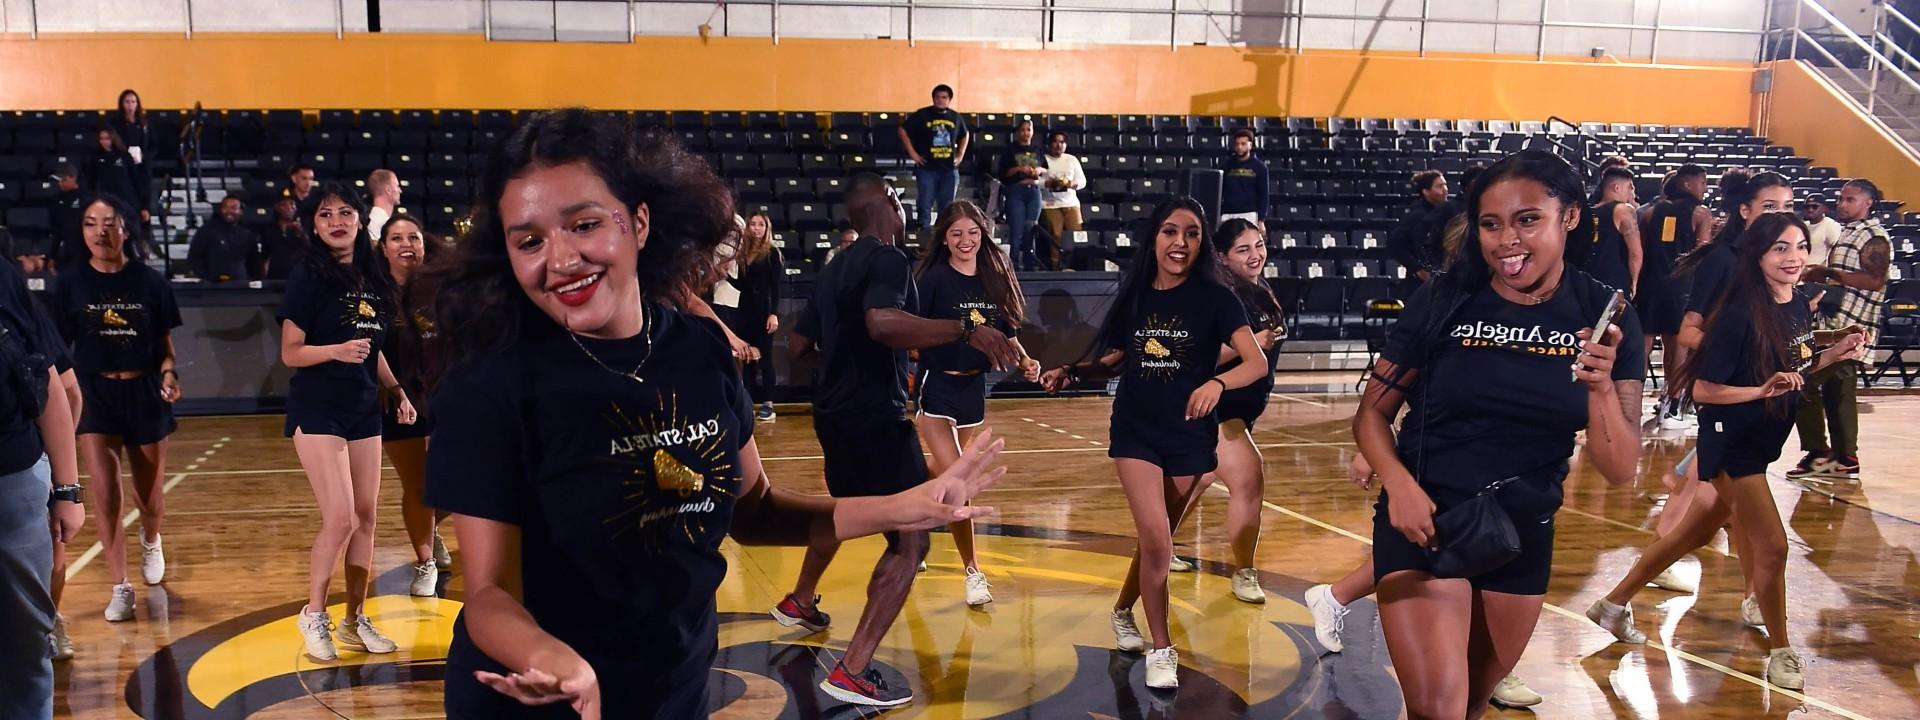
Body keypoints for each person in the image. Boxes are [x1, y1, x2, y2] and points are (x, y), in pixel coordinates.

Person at [419, 108, 1008, 718]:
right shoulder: (488, 383)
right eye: (530, 240)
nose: (562, 258)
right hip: (538, 695)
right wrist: (553, 657)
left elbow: (755, 513)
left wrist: (906, 506)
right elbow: (487, 592)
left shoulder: (699, 351)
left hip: (674, 687)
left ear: (639, 223)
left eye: (584, 224)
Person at [1356, 151, 1643, 718]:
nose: (1507, 239)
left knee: (1467, 710)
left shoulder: (1608, 315)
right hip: (1427, 521)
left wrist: (1601, 387)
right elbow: (1370, 414)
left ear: (1571, 217)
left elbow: (1620, 469)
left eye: (1527, 219)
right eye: (1492, 224)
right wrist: (1398, 484)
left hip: (1521, 532)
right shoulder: (1443, 298)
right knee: (1439, 707)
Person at [1587, 212, 1867, 692]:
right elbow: (1705, 390)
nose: (1793, 257)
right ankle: (1781, 651)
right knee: (1773, 546)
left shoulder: (1799, 304)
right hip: (1731, 441)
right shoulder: (1738, 313)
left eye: (1799, 246)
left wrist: (1834, 355)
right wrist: (1761, 391)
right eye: (1780, 248)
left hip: (1762, 442)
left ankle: (1612, 604)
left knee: (1689, 536)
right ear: (1757, 254)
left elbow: (1792, 369)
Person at [773, 172, 1022, 707]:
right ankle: (854, 669)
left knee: (840, 511)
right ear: (889, 203)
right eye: (901, 202)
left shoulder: (833, 267)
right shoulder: (887, 258)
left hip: (832, 414)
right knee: (912, 539)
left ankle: (799, 600)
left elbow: (796, 349)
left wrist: (844, 364)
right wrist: (964, 330)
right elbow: (883, 322)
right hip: (874, 418)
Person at [1037, 198, 1269, 690]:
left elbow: (1256, 362)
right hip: (1136, 430)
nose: (1179, 243)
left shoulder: (1216, 299)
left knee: (1154, 541)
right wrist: (1073, 370)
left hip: (1189, 434)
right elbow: (1118, 358)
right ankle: (1162, 648)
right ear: (1155, 238)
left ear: (1202, 242)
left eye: (1190, 233)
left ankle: (1122, 610)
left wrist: (1218, 385)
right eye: (1170, 231)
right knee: (1160, 538)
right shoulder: (1137, 293)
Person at [278, 182, 415, 662]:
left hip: (362, 408)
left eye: (344, 213)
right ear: (314, 226)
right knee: (339, 517)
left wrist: (396, 390)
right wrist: (334, 351)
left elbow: (372, 350)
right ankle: (314, 614)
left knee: (366, 520)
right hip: (317, 408)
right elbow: (290, 352)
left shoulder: (373, 277)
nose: (336, 221)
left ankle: (355, 620)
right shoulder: (307, 277)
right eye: (325, 215)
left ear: (359, 220)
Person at [49, 195, 182, 624]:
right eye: (91, 223)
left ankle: (151, 538)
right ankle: (120, 586)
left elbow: (166, 348)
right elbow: (58, 349)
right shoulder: (70, 284)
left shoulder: (151, 282)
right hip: (95, 397)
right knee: (105, 497)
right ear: (82, 231)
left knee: (150, 498)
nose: (100, 231)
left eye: (109, 223)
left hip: (144, 393)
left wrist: (168, 374)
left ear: (125, 228)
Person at [912, 200, 1040, 608]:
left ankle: (908, 528)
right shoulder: (933, 279)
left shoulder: (993, 278)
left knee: (937, 474)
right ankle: (973, 571)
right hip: (937, 389)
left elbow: (1007, 333)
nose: (965, 241)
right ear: (944, 239)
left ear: (983, 234)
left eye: (972, 233)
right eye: (956, 234)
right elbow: (913, 328)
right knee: (959, 481)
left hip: (973, 391)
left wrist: (1026, 360)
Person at [0, 249, 83, 719]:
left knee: (24, 645)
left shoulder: (3, 277)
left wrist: (67, 490)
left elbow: (54, 386)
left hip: (10, 482)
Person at [1790, 178, 1891, 479]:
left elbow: (1875, 280)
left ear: (1868, 202)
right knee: (1838, 393)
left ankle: (1821, 452)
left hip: (1852, 327)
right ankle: (1843, 456)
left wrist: (1828, 273)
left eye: (1850, 199)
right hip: (1832, 324)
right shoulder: (1849, 231)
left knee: (1801, 380)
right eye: (1841, 198)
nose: (1841, 204)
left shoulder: (1874, 235)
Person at [377, 213, 449, 596]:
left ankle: (431, 526)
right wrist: (396, 390)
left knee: (456, 479)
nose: (407, 244)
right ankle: (425, 563)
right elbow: (370, 348)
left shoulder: (441, 289)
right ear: (383, 247)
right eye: (397, 238)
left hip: (442, 393)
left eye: (414, 237)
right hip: (397, 398)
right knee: (418, 486)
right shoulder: (374, 292)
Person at [1636, 164, 1712, 428]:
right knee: (1677, 349)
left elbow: (1641, 252)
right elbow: (1704, 255)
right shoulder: (1701, 213)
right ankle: (1671, 408)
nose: (1705, 188)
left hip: (1649, 286)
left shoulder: (1650, 212)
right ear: (1689, 185)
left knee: (1641, 349)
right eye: (1703, 183)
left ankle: (1630, 408)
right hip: (1681, 288)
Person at [733, 211, 785, 422]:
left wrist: (774, 314)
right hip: (744, 311)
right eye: (752, 224)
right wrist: (722, 274)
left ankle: (768, 405)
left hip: (764, 311)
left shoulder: (772, 252)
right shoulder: (742, 252)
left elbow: (776, 287)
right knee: (747, 358)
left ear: (767, 228)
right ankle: (749, 403)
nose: (756, 228)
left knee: (765, 358)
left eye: (760, 224)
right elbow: (741, 285)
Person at [898, 85, 970, 232]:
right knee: (925, 203)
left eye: (944, 97)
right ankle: (924, 234)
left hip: (949, 169)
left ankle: (943, 235)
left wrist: (960, 154)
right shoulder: (922, 115)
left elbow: (965, 134)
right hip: (927, 168)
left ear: (949, 100)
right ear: (933, 98)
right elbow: (902, 130)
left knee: (947, 207)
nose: (940, 100)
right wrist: (912, 153)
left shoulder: (955, 117)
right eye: (937, 97)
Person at [997, 119, 1048, 272]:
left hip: (1034, 191)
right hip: (1016, 191)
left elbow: (1045, 169)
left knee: (1031, 229)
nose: (1026, 133)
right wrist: (1019, 168)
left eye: (1028, 129)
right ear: (1018, 132)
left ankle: (1030, 265)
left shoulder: (1038, 148)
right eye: (1023, 130)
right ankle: (1013, 265)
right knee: (1017, 230)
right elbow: (1003, 174)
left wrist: (1039, 170)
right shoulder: (1010, 149)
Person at [1390, 170, 1458, 281]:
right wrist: (1417, 268)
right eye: (1440, 186)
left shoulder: (1446, 211)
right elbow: (1395, 243)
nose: (1445, 189)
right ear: (1426, 191)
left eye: (1445, 185)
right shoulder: (1418, 216)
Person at [1585, 167, 1643, 296]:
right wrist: (1634, 282)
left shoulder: (1587, 212)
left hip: (1587, 284)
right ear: (1616, 188)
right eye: (1630, 188)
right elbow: (1635, 252)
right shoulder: (1623, 210)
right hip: (1615, 285)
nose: (1632, 194)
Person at [81, 127, 151, 227]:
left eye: (107, 138)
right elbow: (91, 182)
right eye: (102, 139)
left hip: (127, 202)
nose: (104, 142)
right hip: (106, 202)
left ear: (113, 138)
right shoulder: (95, 158)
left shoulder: (124, 156)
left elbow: (136, 181)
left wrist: (143, 206)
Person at [1040, 129, 1087, 269]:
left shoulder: (1071, 159)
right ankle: (1056, 266)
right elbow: (1036, 182)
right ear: (1050, 144)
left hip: (1071, 202)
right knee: (1056, 235)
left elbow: (1082, 181)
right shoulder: (1043, 159)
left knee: (1076, 234)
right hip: (1050, 203)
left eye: (1062, 142)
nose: (1059, 145)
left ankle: (1075, 265)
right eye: (1055, 141)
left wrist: (1074, 184)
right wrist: (1048, 183)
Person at [187, 196, 262, 283]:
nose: (228, 211)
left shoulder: (248, 233)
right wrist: (208, 277)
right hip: (213, 286)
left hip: (241, 285)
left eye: (233, 208)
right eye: (225, 207)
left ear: (241, 211)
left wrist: (254, 280)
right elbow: (194, 258)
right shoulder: (207, 230)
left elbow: (254, 262)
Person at [1218, 130, 1270, 228]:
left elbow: (1263, 195)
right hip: (1228, 214)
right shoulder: (1225, 166)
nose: (1239, 147)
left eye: (1243, 144)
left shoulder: (1260, 167)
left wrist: (1261, 219)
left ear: (1250, 145)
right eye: (1237, 144)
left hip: (1250, 213)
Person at [261, 191, 307, 281]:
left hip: (298, 276)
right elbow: (264, 256)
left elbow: (310, 248)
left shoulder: (304, 227)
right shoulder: (268, 229)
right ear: (277, 207)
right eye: (284, 204)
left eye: (292, 204)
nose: (290, 208)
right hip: (276, 275)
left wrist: (300, 233)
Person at [51, 163, 87, 272]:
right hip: (64, 251)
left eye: (63, 180)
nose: (60, 183)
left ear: (73, 178)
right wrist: (52, 256)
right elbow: (55, 229)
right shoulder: (56, 199)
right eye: (58, 180)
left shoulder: (86, 197)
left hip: (83, 250)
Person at [108, 89, 151, 167]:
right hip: (123, 163)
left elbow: (153, 144)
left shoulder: (144, 122)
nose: (130, 105)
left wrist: (144, 155)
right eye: (127, 102)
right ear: (122, 104)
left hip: (142, 163)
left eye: (133, 102)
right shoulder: (115, 123)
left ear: (137, 104)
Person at [1802, 194, 1842, 265]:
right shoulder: (1803, 225)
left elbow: (1837, 253)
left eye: (1815, 207)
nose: (1810, 210)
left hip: (1819, 272)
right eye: (1807, 207)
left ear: (1824, 209)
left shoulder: (1831, 225)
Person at [366, 169, 402, 240]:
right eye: (397, 186)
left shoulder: (376, 221)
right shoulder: (378, 224)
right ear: (388, 190)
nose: (400, 191)